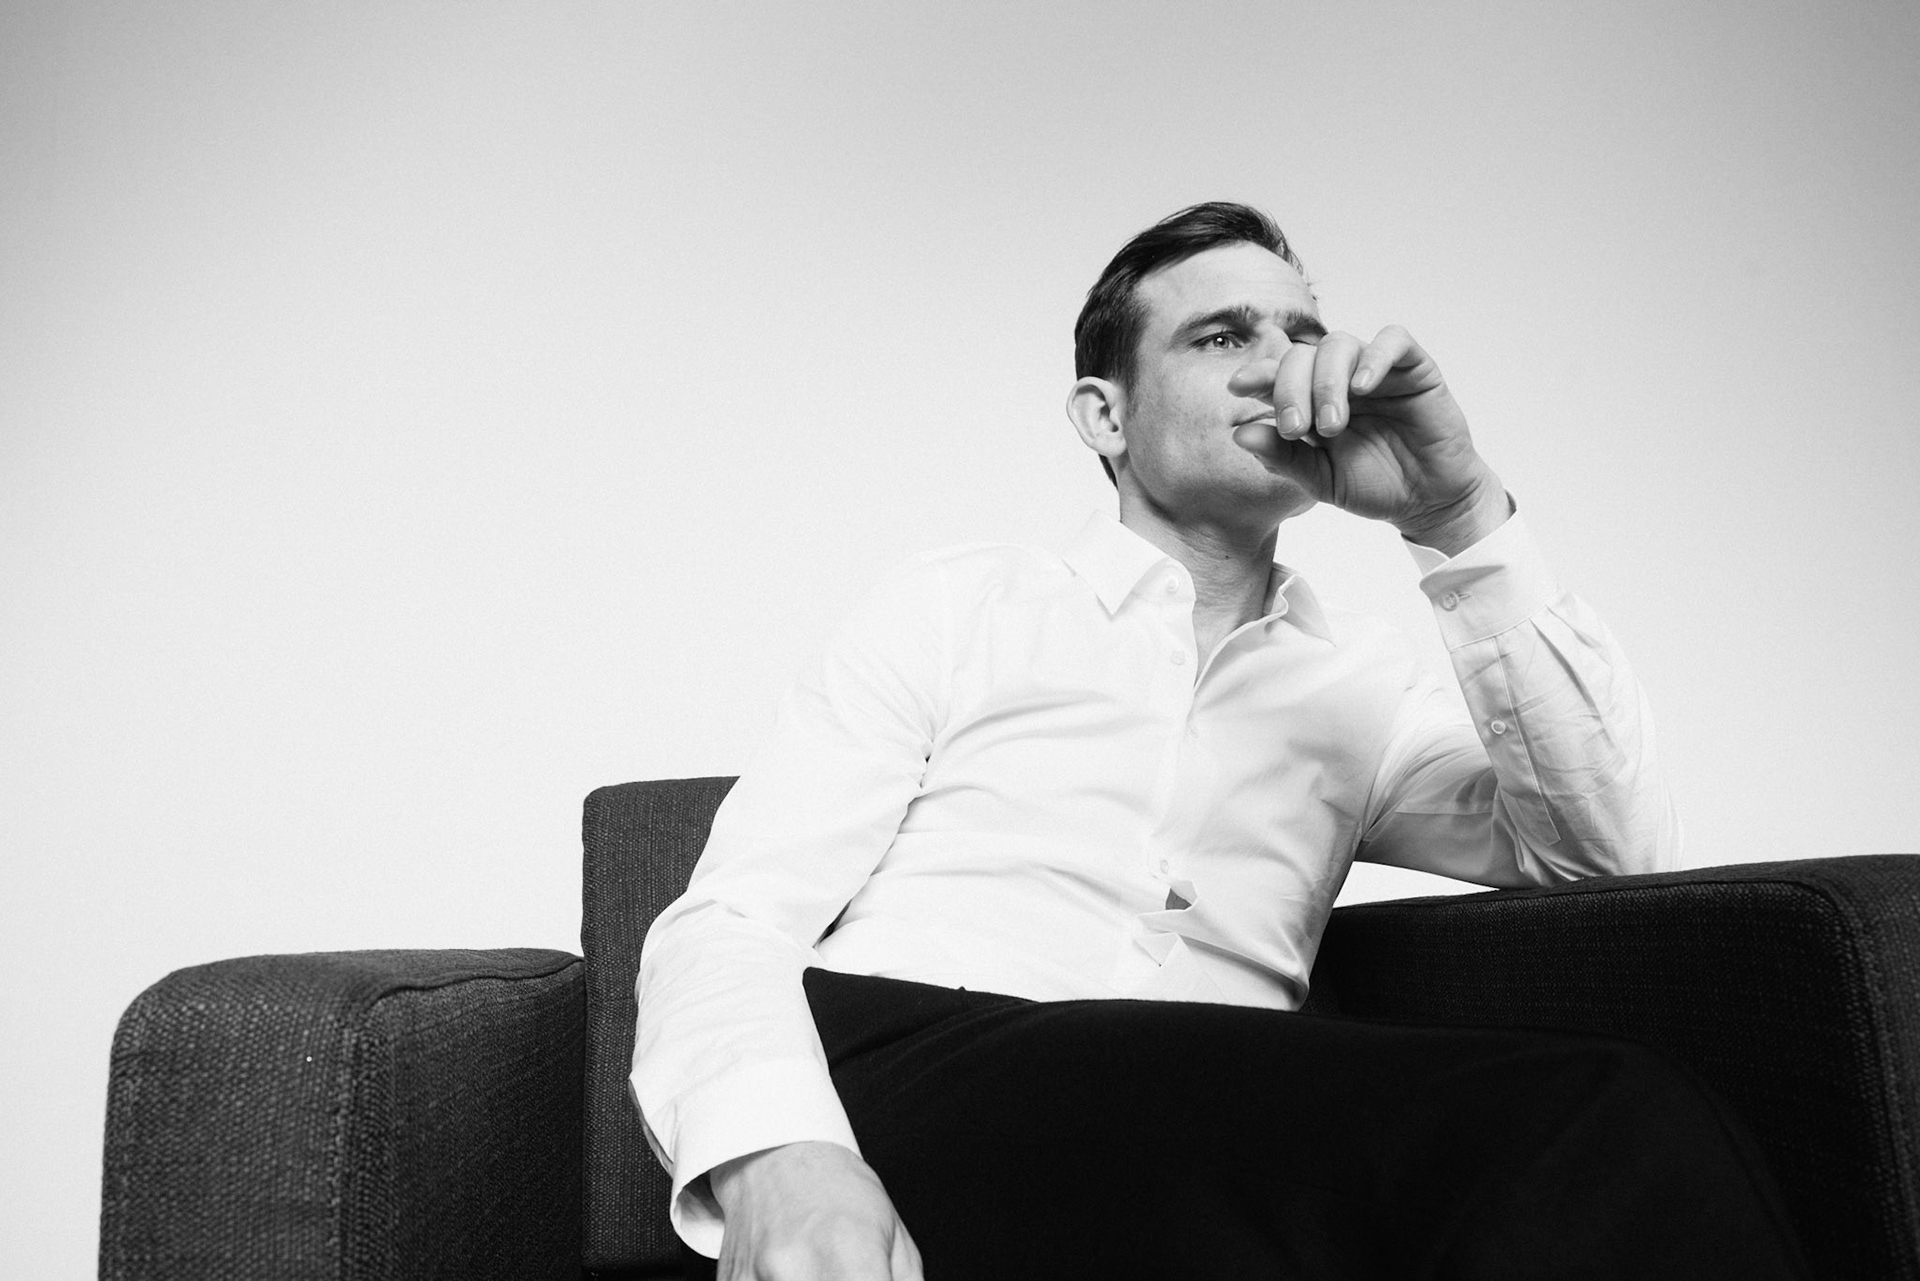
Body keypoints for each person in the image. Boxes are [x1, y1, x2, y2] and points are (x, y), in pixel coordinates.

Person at [633, 202, 1807, 1279]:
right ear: (1105, 415)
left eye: (1302, 334)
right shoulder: (960, 602)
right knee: (1600, 1116)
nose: (1277, 364)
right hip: (916, 1065)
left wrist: (1455, 514)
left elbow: (1607, 864)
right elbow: (731, 920)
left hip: (1197, 1149)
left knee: (1590, 1158)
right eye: (1221, 335)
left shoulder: (1363, 686)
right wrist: (785, 1160)